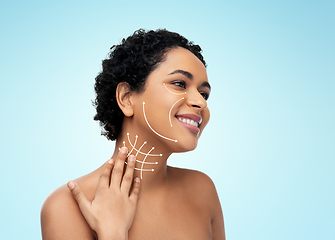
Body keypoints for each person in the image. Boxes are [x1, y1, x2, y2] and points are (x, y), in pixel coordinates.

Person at [41, 29, 226, 240]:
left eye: (204, 94)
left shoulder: (202, 191)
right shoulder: (68, 206)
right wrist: (113, 233)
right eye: (179, 84)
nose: (201, 102)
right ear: (127, 98)